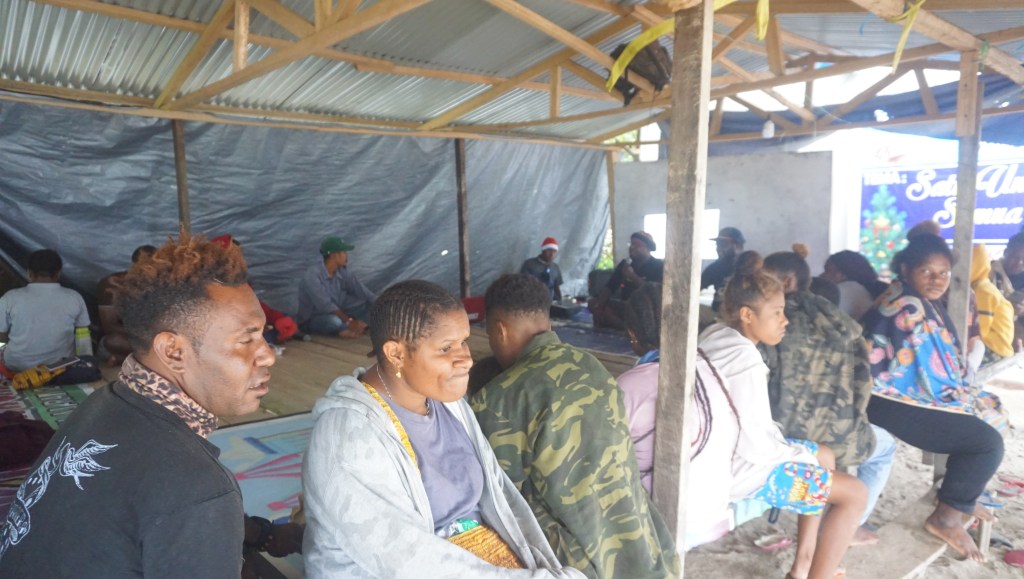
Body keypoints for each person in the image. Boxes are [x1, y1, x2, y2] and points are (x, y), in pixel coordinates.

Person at [0, 233, 276, 577]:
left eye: (263, 335)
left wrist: (257, 533)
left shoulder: (104, 402)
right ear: (173, 351)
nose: (268, 355)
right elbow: (183, 504)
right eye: (247, 339)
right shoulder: (201, 487)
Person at [302, 280, 582, 578]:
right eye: (446, 348)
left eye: (464, 342)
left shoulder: (449, 404)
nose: (466, 359)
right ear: (396, 354)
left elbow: (501, 499)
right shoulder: (347, 438)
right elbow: (408, 562)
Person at [471, 274, 679, 579]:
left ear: (499, 330)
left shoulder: (500, 397)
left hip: (581, 563)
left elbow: (499, 500)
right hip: (643, 543)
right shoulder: (592, 365)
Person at [699, 252, 866, 579]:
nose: (785, 320)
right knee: (855, 494)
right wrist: (802, 454)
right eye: (777, 313)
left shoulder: (718, 334)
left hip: (717, 448)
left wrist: (804, 452)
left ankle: (803, 564)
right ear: (747, 314)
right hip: (733, 469)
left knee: (824, 454)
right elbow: (757, 448)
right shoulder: (745, 361)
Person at [862, 234, 1004, 562]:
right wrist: (954, 395)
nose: (937, 280)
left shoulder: (918, 298)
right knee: (986, 444)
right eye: (927, 271)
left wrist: (958, 392)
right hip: (885, 400)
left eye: (943, 273)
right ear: (906, 269)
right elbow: (919, 371)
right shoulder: (904, 305)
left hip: (902, 394)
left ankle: (960, 496)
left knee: (990, 411)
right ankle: (945, 518)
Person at [759, 249, 896, 546]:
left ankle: (843, 524)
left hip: (779, 438)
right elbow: (862, 389)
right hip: (837, 439)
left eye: (764, 278)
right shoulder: (843, 324)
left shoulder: (768, 321)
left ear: (787, 282)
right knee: (885, 447)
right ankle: (850, 525)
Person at [0, 249, 97, 384]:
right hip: (60, 366)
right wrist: (85, 361)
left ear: (29, 273)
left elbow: (2, 336)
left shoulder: (10, 298)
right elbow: (83, 334)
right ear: (58, 273)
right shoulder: (74, 297)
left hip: (17, 365)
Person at [211, 235, 299, 346]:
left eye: (239, 256)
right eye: (232, 257)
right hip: (223, 335)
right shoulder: (208, 285)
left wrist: (277, 318)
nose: (239, 261)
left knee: (283, 321)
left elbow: (254, 305)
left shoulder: (239, 280)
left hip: (243, 327)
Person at [296, 236, 375, 339]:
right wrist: (350, 321)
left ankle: (351, 327)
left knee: (370, 307)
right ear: (334, 255)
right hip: (314, 318)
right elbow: (325, 305)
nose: (347, 256)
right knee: (334, 321)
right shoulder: (312, 275)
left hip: (340, 314)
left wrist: (384, 304)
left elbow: (363, 292)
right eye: (344, 252)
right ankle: (344, 329)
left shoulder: (342, 272)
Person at [96, 244, 156, 365]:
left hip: (151, 341)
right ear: (134, 266)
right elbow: (109, 326)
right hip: (130, 340)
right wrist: (148, 337)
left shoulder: (160, 283)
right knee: (114, 341)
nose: (151, 272)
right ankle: (147, 360)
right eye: (146, 268)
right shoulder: (112, 284)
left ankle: (124, 360)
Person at [590, 231, 664, 330]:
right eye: (631, 244)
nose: (632, 248)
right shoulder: (625, 265)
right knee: (593, 303)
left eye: (636, 245)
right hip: (627, 306)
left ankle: (629, 330)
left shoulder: (658, 266)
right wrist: (599, 306)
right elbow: (610, 287)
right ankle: (627, 329)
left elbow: (654, 292)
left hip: (647, 309)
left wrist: (632, 276)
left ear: (647, 249)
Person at [970, 244, 1015, 360]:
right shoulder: (981, 286)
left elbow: (980, 330)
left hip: (994, 349)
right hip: (996, 346)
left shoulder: (983, 291)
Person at [820, 250, 888, 321]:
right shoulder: (863, 290)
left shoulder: (841, 290)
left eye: (827, 270)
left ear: (841, 274)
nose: (821, 275)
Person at [991, 230, 1024, 351]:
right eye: (1015, 257)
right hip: (993, 332)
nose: (1019, 262)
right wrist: (1006, 308)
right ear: (1006, 252)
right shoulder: (988, 272)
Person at [700, 226, 745, 293]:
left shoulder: (748, 268)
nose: (719, 249)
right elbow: (696, 288)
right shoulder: (716, 268)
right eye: (718, 245)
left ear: (738, 246)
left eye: (723, 244)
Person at [520, 237, 564, 301]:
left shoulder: (555, 267)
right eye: (549, 250)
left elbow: (556, 287)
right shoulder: (529, 264)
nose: (552, 254)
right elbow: (523, 284)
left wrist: (559, 301)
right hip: (532, 300)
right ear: (543, 250)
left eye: (554, 251)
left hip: (549, 301)